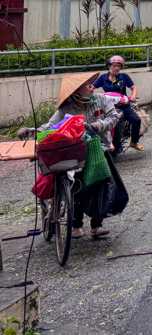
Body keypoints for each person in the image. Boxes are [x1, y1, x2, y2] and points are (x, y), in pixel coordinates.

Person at [20, 72, 119, 239]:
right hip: (76, 152)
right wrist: (31, 130)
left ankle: (97, 225)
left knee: (100, 186)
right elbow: (49, 127)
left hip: (100, 149)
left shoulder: (103, 100)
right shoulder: (66, 109)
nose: (92, 87)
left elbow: (114, 118)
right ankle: (76, 226)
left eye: (91, 84)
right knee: (76, 188)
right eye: (87, 85)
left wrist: (98, 125)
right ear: (76, 92)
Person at [93, 56, 144, 153]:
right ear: (109, 66)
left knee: (136, 120)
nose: (116, 68)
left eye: (119, 66)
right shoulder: (103, 78)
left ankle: (134, 142)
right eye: (114, 66)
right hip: (108, 106)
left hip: (123, 105)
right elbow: (92, 87)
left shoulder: (124, 77)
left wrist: (133, 96)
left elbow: (133, 88)